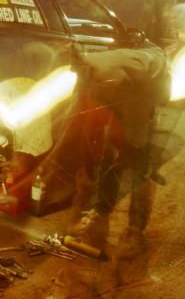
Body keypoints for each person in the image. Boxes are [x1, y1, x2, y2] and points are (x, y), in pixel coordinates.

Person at [70, 38, 170, 257]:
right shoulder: (83, 70)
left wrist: (128, 148)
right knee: (108, 154)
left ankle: (136, 229)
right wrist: (90, 160)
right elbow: (86, 122)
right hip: (128, 84)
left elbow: (136, 120)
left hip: (152, 84)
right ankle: (102, 211)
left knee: (138, 164)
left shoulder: (114, 80)